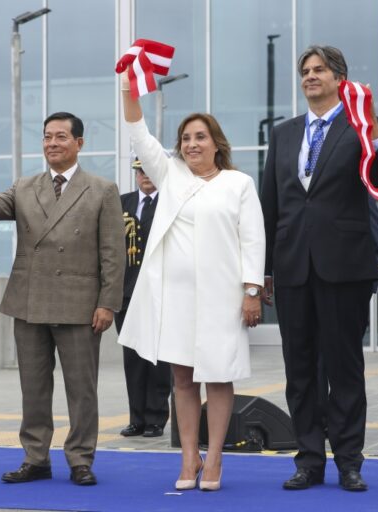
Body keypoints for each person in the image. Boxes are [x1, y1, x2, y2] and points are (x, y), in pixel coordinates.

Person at [0, 112, 125, 486]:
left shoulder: (102, 189)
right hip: (29, 301)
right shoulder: (25, 186)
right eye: (47, 137)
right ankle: (35, 458)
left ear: (79, 143)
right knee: (33, 387)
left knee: (82, 389)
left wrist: (107, 302)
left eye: (61, 137)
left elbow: (113, 252)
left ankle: (80, 459)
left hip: (80, 304)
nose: (51, 144)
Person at [118, 72, 266, 492]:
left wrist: (251, 291)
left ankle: (215, 456)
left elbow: (253, 240)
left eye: (200, 137)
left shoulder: (239, 184)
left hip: (223, 299)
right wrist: (129, 88)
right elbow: (138, 133)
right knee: (183, 379)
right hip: (176, 298)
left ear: (216, 143)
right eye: (185, 138)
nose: (192, 145)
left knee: (219, 377)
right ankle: (189, 455)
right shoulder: (170, 175)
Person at [261, 45, 378, 492]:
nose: (310, 77)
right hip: (294, 266)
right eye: (305, 71)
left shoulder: (361, 126)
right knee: (300, 371)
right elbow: (270, 206)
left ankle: (349, 462)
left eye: (319, 70)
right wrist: (263, 272)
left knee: (344, 369)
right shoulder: (283, 134)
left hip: (345, 268)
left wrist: (373, 133)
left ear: (340, 77)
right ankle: (309, 460)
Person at [116, 157, 171, 439]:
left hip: (159, 291)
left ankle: (156, 418)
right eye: (140, 171)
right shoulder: (121, 202)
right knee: (132, 359)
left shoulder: (170, 202)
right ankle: (136, 417)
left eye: (150, 170)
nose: (146, 176)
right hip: (125, 292)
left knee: (158, 360)